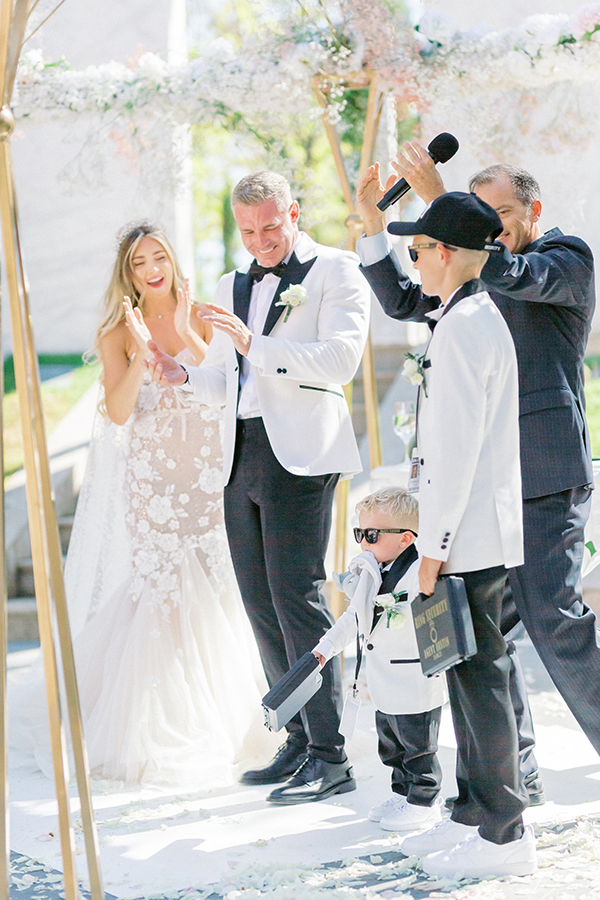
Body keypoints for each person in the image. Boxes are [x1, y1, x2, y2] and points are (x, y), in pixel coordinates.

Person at [356, 150, 599, 796]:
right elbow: (408, 299)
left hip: (546, 473)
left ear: (532, 211)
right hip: (489, 486)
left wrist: (452, 215)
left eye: (503, 215)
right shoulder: (469, 280)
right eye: (481, 217)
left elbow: (515, 273)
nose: (493, 227)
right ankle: (514, 777)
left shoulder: (566, 259)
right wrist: (370, 231)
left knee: (555, 622)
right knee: (488, 634)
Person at [11, 222, 277, 789]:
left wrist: (183, 330)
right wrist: (140, 350)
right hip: (154, 480)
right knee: (161, 587)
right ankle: (156, 719)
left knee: (215, 583)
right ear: (127, 274)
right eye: (138, 262)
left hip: (207, 471)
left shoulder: (207, 313)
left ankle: (233, 713)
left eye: (158, 256)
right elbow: (121, 412)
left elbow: (225, 385)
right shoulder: (116, 332)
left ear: (174, 260)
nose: (151, 268)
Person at [145, 171, 371, 804]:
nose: (261, 240)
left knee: (295, 595)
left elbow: (340, 361)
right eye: (249, 230)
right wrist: (182, 373)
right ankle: (299, 737)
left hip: (300, 454)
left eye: (271, 226)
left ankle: (332, 757)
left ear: (293, 212)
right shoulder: (230, 284)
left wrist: (259, 344)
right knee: (258, 602)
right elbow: (225, 378)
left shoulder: (337, 270)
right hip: (238, 455)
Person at [358, 191, 536, 877]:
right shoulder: (463, 316)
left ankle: (506, 836)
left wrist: (430, 552)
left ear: (447, 254)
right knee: (465, 679)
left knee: (479, 680)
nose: (414, 260)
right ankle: (473, 813)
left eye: (418, 249)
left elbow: (459, 453)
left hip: (465, 539)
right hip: (464, 534)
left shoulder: (467, 327)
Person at [312, 487, 447, 832]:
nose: (363, 544)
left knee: (419, 746)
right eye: (359, 534)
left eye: (371, 535)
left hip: (415, 676)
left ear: (405, 538)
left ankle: (425, 800)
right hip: (383, 680)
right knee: (392, 745)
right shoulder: (374, 572)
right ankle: (403, 794)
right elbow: (354, 617)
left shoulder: (419, 571)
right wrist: (326, 647)